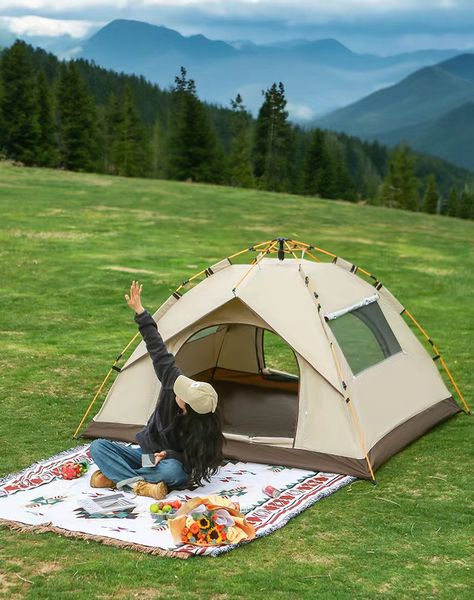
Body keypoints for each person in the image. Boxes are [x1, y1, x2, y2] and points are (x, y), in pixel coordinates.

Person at [89, 280, 224, 500]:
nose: (178, 389)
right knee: (98, 447)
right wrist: (140, 312)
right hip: (147, 457)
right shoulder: (173, 380)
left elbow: (196, 462)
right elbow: (157, 348)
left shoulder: (202, 430)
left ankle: (118, 478)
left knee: (172, 472)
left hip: (170, 462)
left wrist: (170, 454)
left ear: (189, 408)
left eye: (183, 393)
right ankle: (141, 484)